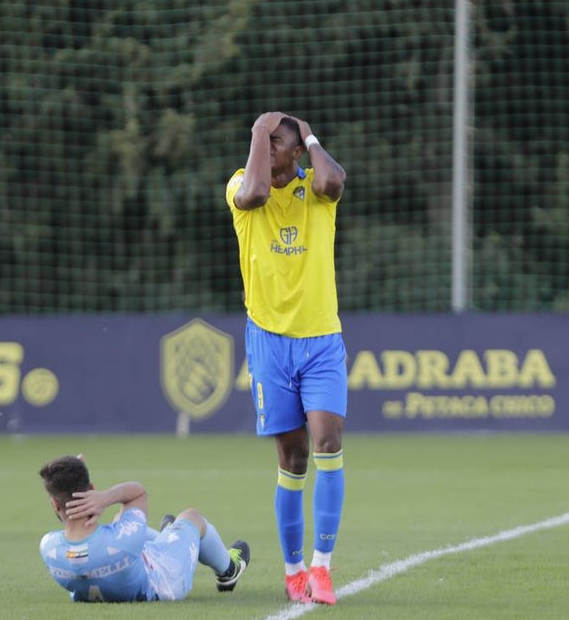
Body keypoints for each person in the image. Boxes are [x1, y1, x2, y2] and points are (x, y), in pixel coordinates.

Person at [225, 112, 348, 605]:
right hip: (269, 342)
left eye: (277, 141)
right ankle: (293, 569)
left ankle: (322, 567)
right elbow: (253, 193)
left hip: (320, 340)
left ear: (297, 152)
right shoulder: (242, 185)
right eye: (263, 141)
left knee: (327, 439)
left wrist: (310, 134)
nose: (265, 147)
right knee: (292, 458)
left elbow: (335, 180)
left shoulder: (316, 191)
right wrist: (258, 129)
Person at [38, 454, 250, 602]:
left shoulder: (48, 547)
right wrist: (104, 497)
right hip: (162, 582)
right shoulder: (123, 542)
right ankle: (229, 570)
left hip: (120, 565)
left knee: (120, 519)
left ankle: (170, 535)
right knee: (191, 517)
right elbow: (137, 492)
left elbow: (78, 530)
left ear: (55, 504)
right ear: (91, 490)